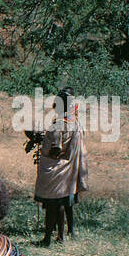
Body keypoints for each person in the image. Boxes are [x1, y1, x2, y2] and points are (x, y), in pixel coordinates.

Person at [34, 89, 88, 245]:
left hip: (56, 169)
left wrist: (45, 148)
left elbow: (56, 149)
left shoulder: (58, 125)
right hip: (67, 169)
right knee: (61, 205)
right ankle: (61, 237)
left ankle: (47, 239)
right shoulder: (74, 123)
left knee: (52, 206)